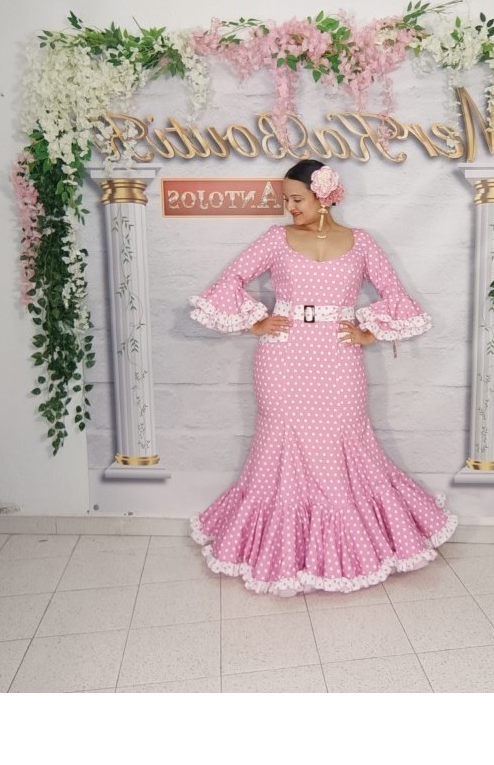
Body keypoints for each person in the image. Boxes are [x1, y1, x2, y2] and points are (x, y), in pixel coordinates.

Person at [188, 160, 458, 596]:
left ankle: (351, 548)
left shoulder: (362, 242)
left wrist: (368, 333)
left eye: (296, 199)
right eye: (286, 200)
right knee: (279, 443)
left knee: (347, 437)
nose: (289, 207)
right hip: (283, 357)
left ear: (322, 195)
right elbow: (232, 279)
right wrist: (256, 323)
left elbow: (396, 295)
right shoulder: (276, 239)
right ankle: (282, 552)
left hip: (337, 356)